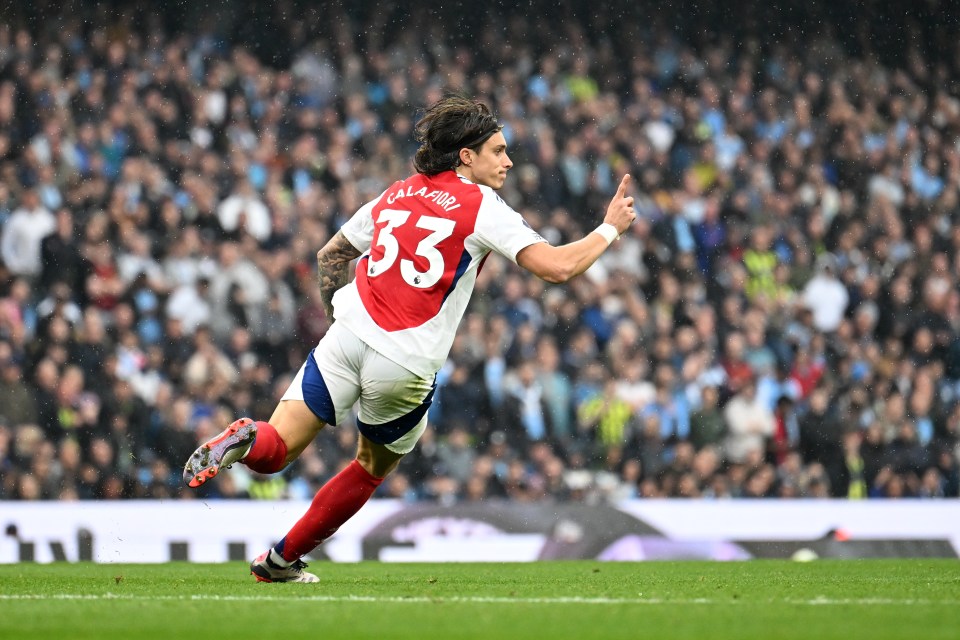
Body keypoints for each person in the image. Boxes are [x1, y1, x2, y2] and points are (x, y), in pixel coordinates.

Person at [182, 95, 636, 582]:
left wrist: (342, 314)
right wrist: (610, 229)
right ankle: (279, 561)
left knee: (274, 451)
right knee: (369, 468)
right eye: (499, 150)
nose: (509, 161)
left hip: (345, 338)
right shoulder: (481, 204)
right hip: (403, 360)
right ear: (467, 156)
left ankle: (244, 437)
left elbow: (330, 256)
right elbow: (557, 267)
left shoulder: (397, 193)